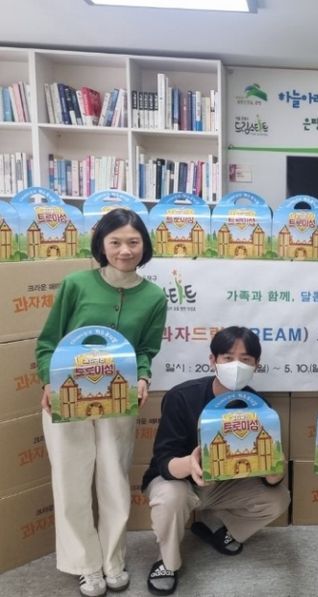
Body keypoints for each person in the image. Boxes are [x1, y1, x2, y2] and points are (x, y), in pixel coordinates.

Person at [36, 209, 167, 597]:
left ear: (144, 245)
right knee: (71, 480)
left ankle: (113, 560)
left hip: (118, 399)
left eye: (133, 242)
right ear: (101, 245)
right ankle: (85, 566)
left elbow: (146, 350)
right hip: (68, 397)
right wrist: (49, 381)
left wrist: (142, 376)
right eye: (116, 242)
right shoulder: (76, 285)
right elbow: (48, 342)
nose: (125, 250)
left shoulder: (154, 296)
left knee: (114, 480)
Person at [142, 326, 290, 596]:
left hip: (224, 486)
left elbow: (268, 479)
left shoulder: (259, 406)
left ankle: (221, 529)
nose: (236, 366)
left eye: (245, 359)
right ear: (213, 360)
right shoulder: (181, 396)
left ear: (256, 365)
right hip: (180, 482)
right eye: (228, 358)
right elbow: (163, 460)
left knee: (278, 498)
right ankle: (167, 562)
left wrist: (275, 471)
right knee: (171, 497)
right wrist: (190, 464)